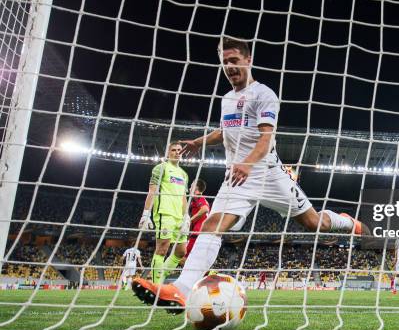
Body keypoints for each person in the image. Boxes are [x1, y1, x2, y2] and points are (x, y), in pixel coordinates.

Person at [132, 37, 370, 312]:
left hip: (266, 172)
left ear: (248, 60)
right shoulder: (226, 99)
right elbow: (225, 131)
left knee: (314, 222)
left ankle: (347, 223)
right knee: (212, 225)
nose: (230, 67)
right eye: (225, 62)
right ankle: (181, 290)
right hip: (238, 178)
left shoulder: (264, 95)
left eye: (234, 61)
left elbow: (266, 138)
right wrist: (199, 142)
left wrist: (246, 163)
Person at [138, 142, 189, 284]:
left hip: (179, 217)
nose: (177, 152)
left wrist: (187, 217)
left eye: (179, 150)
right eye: (173, 150)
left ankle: (161, 276)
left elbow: (184, 198)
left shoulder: (184, 174)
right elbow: (152, 191)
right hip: (164, 213)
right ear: (167, 153)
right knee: (162, 249)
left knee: (181, 251)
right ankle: (156, 286)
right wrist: (146, 214)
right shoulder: (160, 168)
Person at [185, 179, 210, 258]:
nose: (190, 187)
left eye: (192, 185)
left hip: (198, 231)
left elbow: (205, 209)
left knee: (182, 256)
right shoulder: (195, 199)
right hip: (199, 231)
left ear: (196, 187)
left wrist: (189, 220)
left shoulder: (198, 197)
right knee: (194, 257)